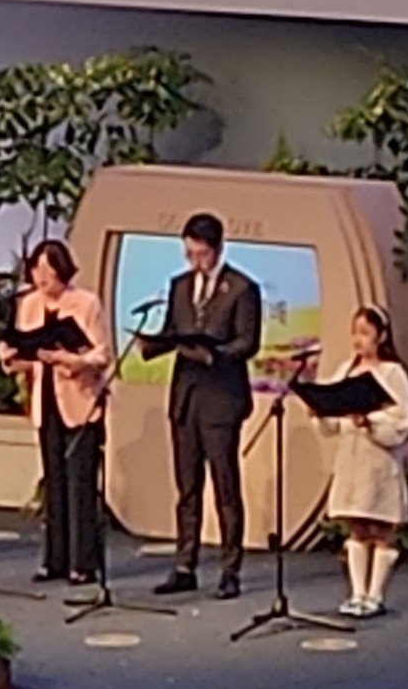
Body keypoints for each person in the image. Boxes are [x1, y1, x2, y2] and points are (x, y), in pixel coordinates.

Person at [150, 213, 260, 597]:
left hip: (221, 398)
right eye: (189, 254)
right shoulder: (179, 285)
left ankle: (230, 569)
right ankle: (185, 564)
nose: (195, 261)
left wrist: (215, 355)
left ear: (218, 249)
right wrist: (155, 342)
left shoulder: (241, 288)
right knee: (187, 487)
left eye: (201, 254)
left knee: (225, 487)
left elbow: (248, 342)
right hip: (186, 396)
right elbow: (172, 329)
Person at [5, 235, 114, 585]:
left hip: (80, 401)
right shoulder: (29, 304)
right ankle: (54, 560)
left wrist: (71, 360)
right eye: (36, 270)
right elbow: (26, 348)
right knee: (53, 480)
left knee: (80, 482)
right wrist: (12, 356)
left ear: (62, 271)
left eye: (47, 271)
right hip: (46, 400)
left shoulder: (85, 303)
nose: (40, 277)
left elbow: (102, 354)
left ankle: (83, 563)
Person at [317, 303, 408, 619]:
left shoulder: (393, 373)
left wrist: (370, 422)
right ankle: (357, 593)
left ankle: (376, 595)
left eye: (365, 333)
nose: (358, 340)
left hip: (379, 461)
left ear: (381, 336)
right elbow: (333, 421)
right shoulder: (346, 370)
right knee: (357, 526)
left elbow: (402, 421)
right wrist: (320, 411)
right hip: (351, 459)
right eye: (354, 333)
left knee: (381, 527)